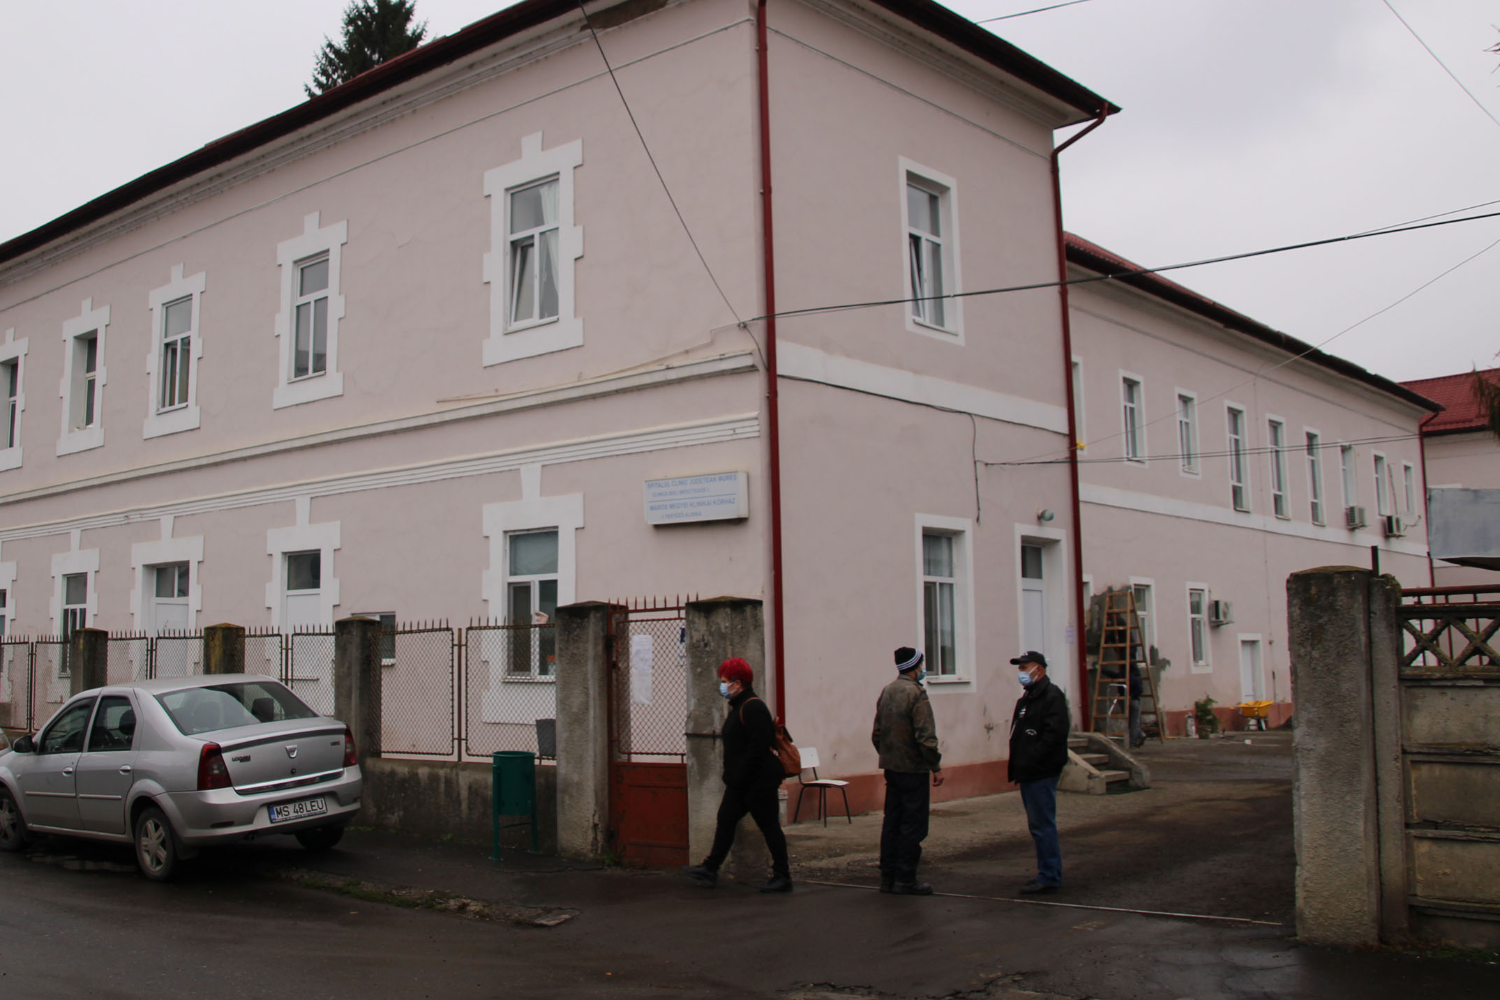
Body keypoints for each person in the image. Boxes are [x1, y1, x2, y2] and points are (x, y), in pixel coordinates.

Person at [683, 657, 792, 893]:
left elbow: (758, 748)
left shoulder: (752, 707)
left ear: (737, 683)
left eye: (725, 681)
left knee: (769, 826)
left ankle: (783, 876)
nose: (722, 686)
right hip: (742, 782)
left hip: (757, 782)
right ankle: (710, 868)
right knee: (726, 819)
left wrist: (739, 775)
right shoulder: (739, 706)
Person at [871, 646, 944, 895]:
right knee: (913, 825)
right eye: (921, 665)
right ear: (915, 668)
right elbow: (926, 736)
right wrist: (935, 766)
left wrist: (888, 755)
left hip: (892, 767)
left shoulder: (888, 691)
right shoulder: (916, 694)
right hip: (914, 769)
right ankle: (906, 878)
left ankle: (888, 877)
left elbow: (877, 733)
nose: (922, 670)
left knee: (892, 822)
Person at [1007, 650, 1070, 894]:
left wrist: (1033, 758)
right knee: (1038, 825)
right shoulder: (1028, 697)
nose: (1021, 672)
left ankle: (1050, 875)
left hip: (1041, 771)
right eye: (1020, 668)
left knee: (1043, 825)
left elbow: (1055, 734)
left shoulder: (1051, 696)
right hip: (1028, 771)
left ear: (1039, 670)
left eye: (1025, 668)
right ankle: (1047, 872)